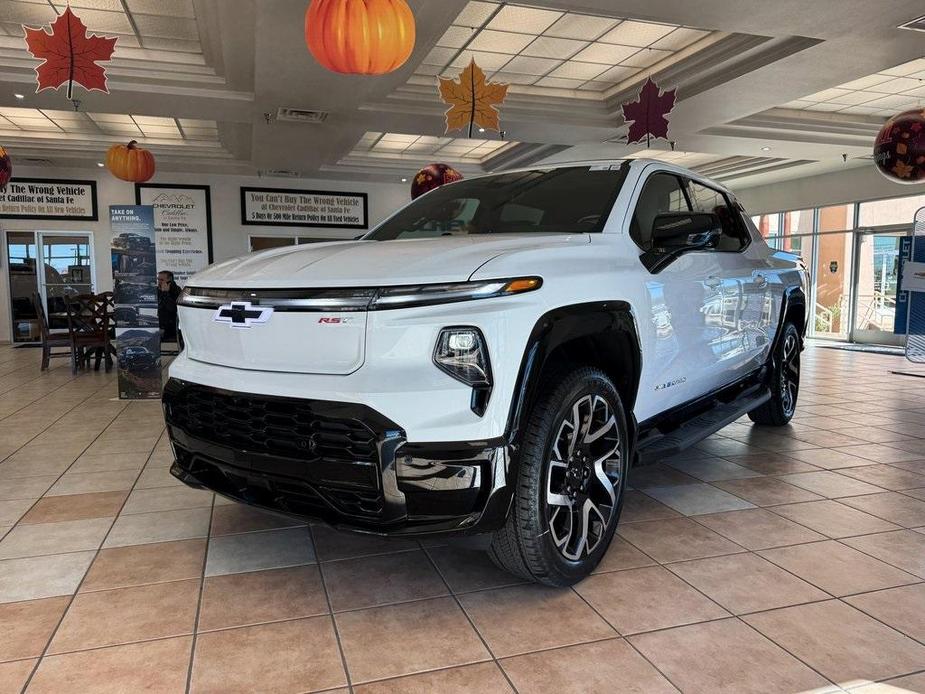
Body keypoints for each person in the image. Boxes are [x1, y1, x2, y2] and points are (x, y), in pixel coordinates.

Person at [157, 270, 181, 342]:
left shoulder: (177, 290)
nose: (159, 282)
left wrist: (165, 293)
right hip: (160, 325)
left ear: (169, 280)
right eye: (158, 279)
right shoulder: (158, 290)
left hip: (171, 328)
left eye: (161, 280)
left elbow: (173, 308)